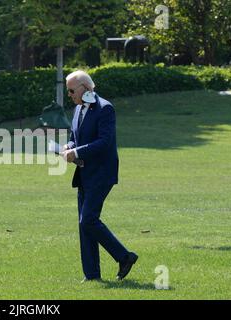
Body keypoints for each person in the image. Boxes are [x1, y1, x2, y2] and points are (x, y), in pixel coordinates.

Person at [60, 70, 138, 282]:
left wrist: (75, 152)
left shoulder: (105, 109)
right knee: (83, 223)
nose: (69, 95)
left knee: (88, 220)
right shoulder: (77, 109)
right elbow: (75, 136)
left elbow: (104, 142)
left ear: (85, 88)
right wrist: (69, 145)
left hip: (102, 173)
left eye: (71, 90)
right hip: (85, 172)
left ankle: (125, 257)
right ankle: (92, 275)